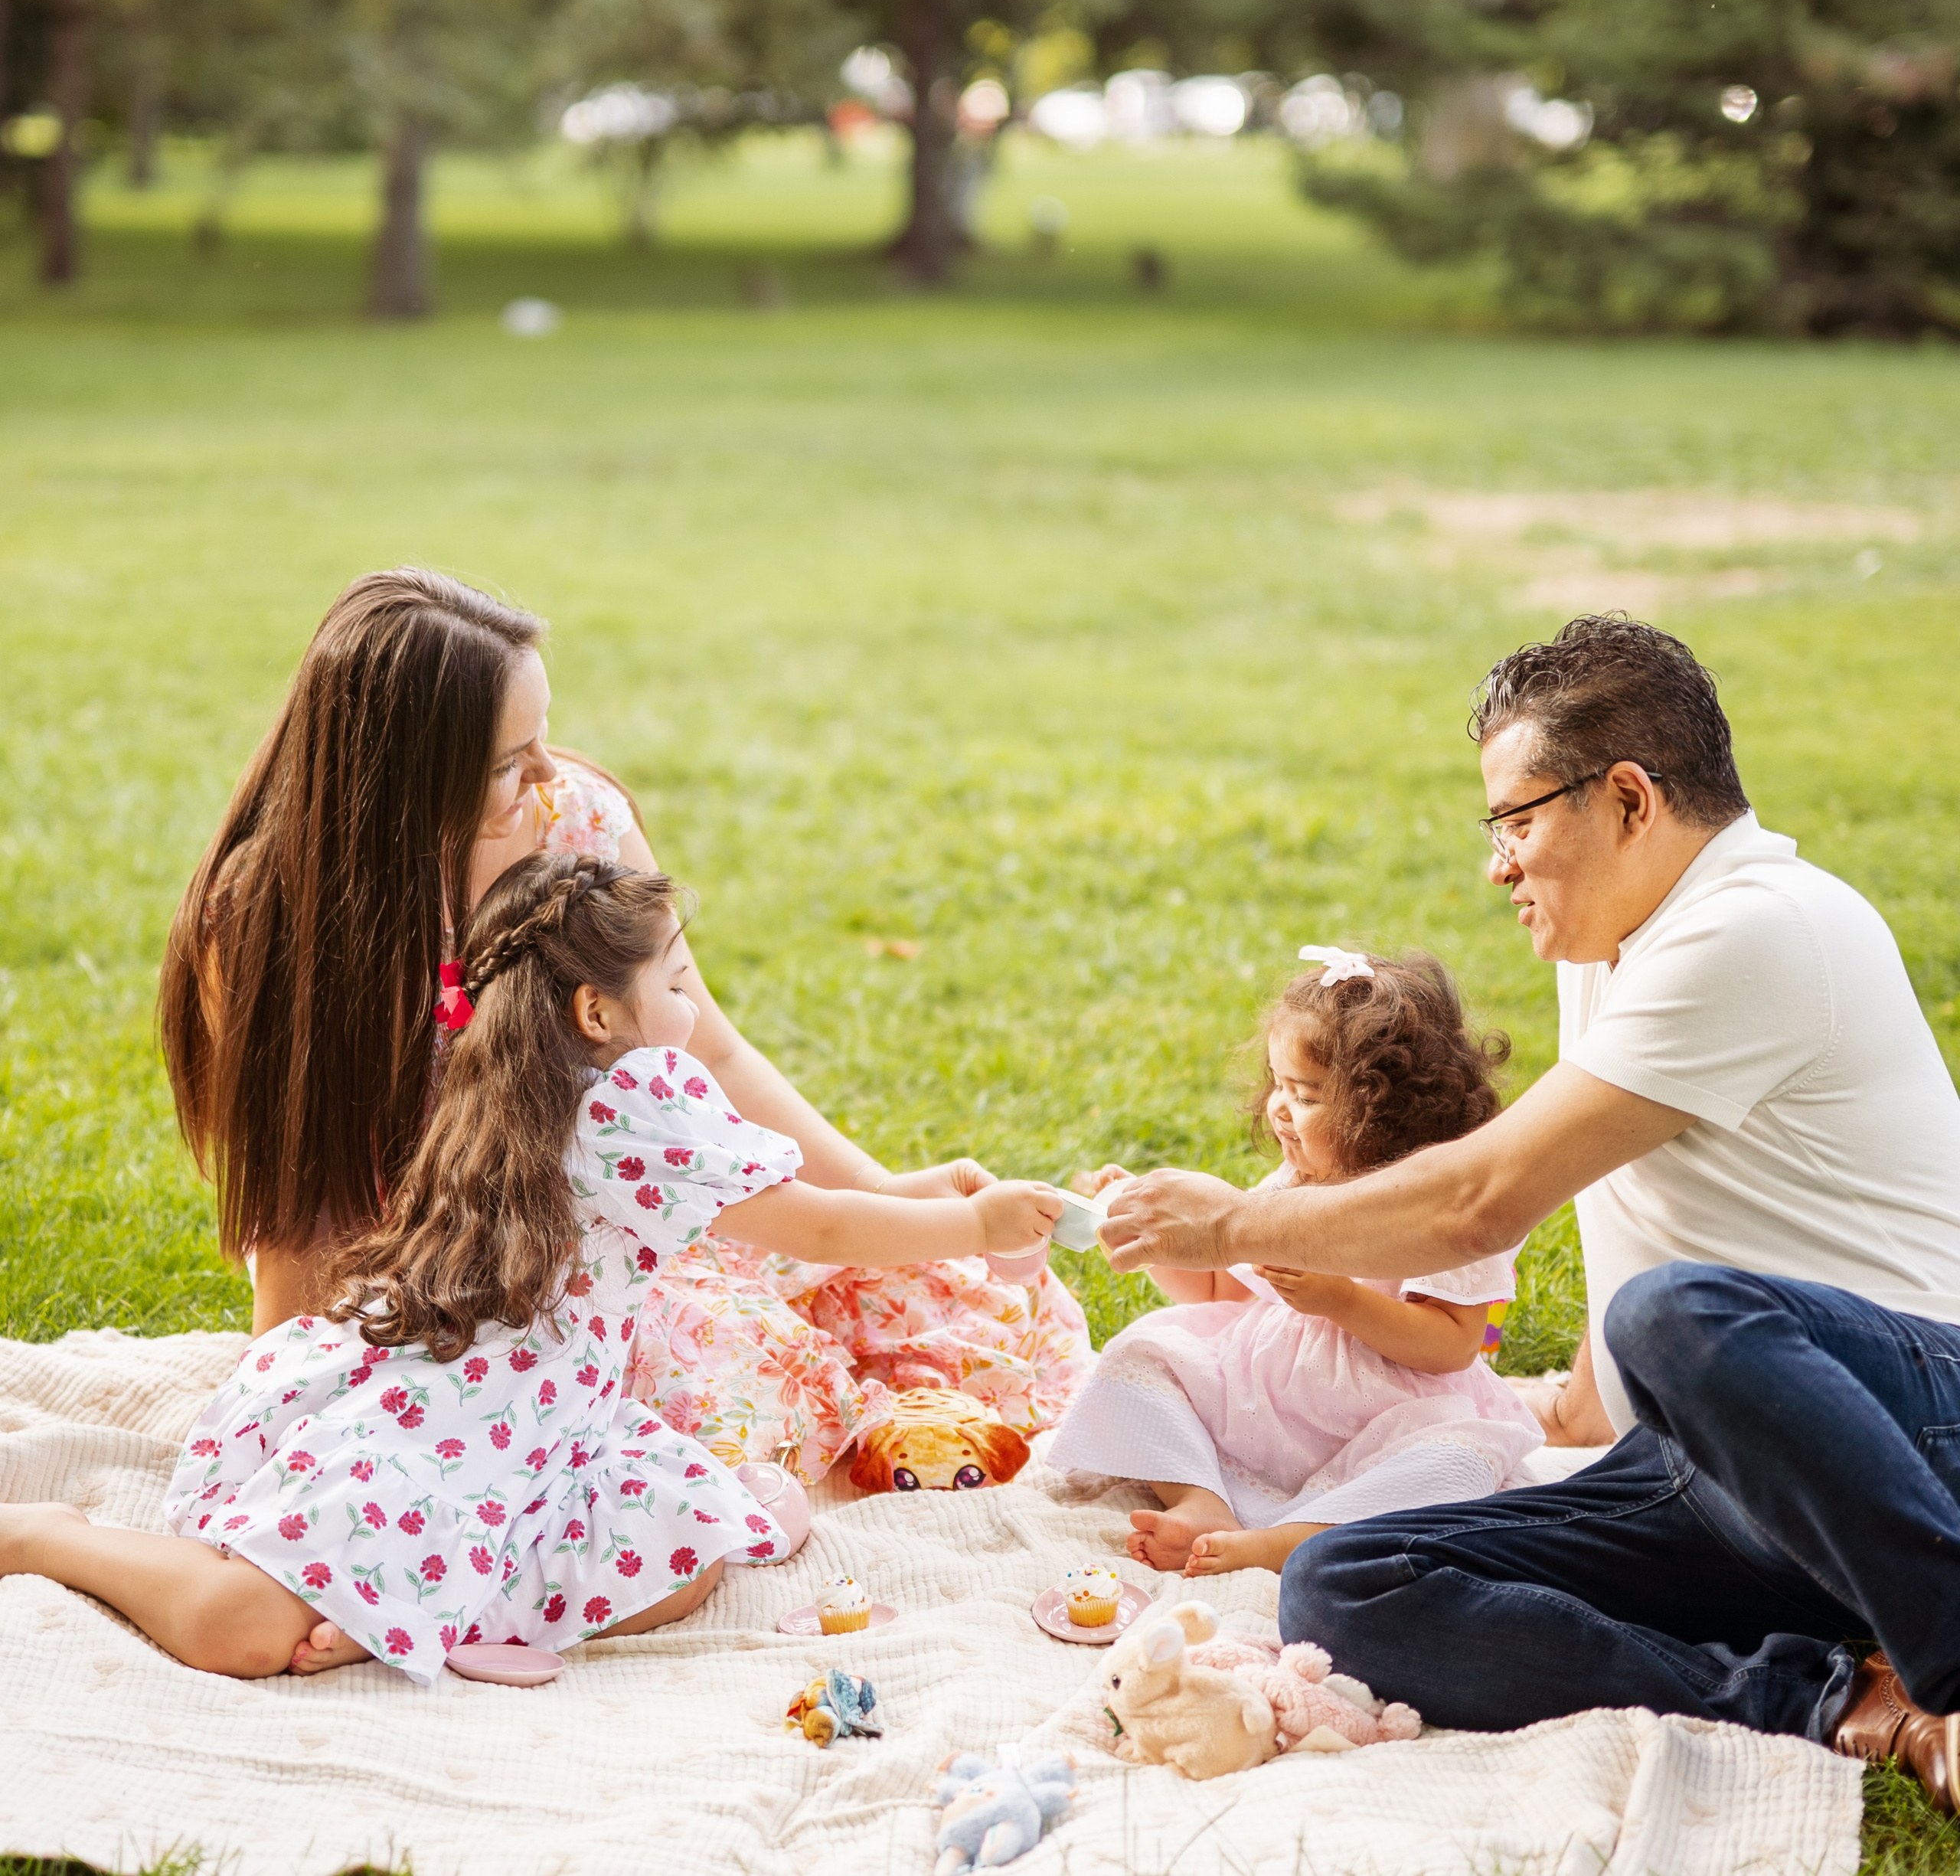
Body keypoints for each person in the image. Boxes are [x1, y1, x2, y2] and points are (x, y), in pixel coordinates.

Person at [1098, 615, 1960, 1809]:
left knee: (1678, 1314)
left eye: (1518, 819)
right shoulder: (1610, 939)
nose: (1496, 864)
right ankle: (1839, 1700)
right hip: (1719, 1473)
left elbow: (1482, 1196)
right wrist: (1581, 1402)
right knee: (1347, 1579)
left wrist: (1232, 1229)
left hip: (1910, 1438)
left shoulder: (1761, 926)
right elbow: (1635, 1196)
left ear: (1627, 799)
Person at [2, 854, 1059, 1682]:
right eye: (679, 983)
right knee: (242, 1627)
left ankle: (409, 1604)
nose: (693, 1010)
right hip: (445, 1425)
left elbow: (777, 1213)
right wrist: (974, 1224)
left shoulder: (510, 1078)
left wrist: (926, 1194)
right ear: (600, 1013)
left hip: (524, 1417)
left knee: (680, 1560)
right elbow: (814, 1229)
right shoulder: (642, 1097)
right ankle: (61, 1540)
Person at [159, 569, 1090, 1482]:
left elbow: (713, 1049)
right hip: (435, 1271)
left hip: (616, 1213)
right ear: (406, 783)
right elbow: (297, 1205)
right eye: (505, 764)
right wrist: (281, 1390)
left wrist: (884, 1191)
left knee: (932, 1294)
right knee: (689, 1387)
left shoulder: (576, 824)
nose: (548, 775)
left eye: (544, 738)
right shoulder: (266, 920)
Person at [1047, 949, 1540, 1574]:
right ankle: (1203, 1500)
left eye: (1305, 1095)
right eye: (1278, 1084)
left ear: (1382, 1112)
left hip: (1385, 1417)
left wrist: (1343, 1299)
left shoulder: (1437, 1207)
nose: (1279, 1107)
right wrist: (1152, 1242)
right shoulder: (1296, 1179)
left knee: (1459, 1458)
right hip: (1264, 1395)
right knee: (1139, 1353)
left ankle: (1289, 1542)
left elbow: (1454, 1345)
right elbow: (1220, 1284)